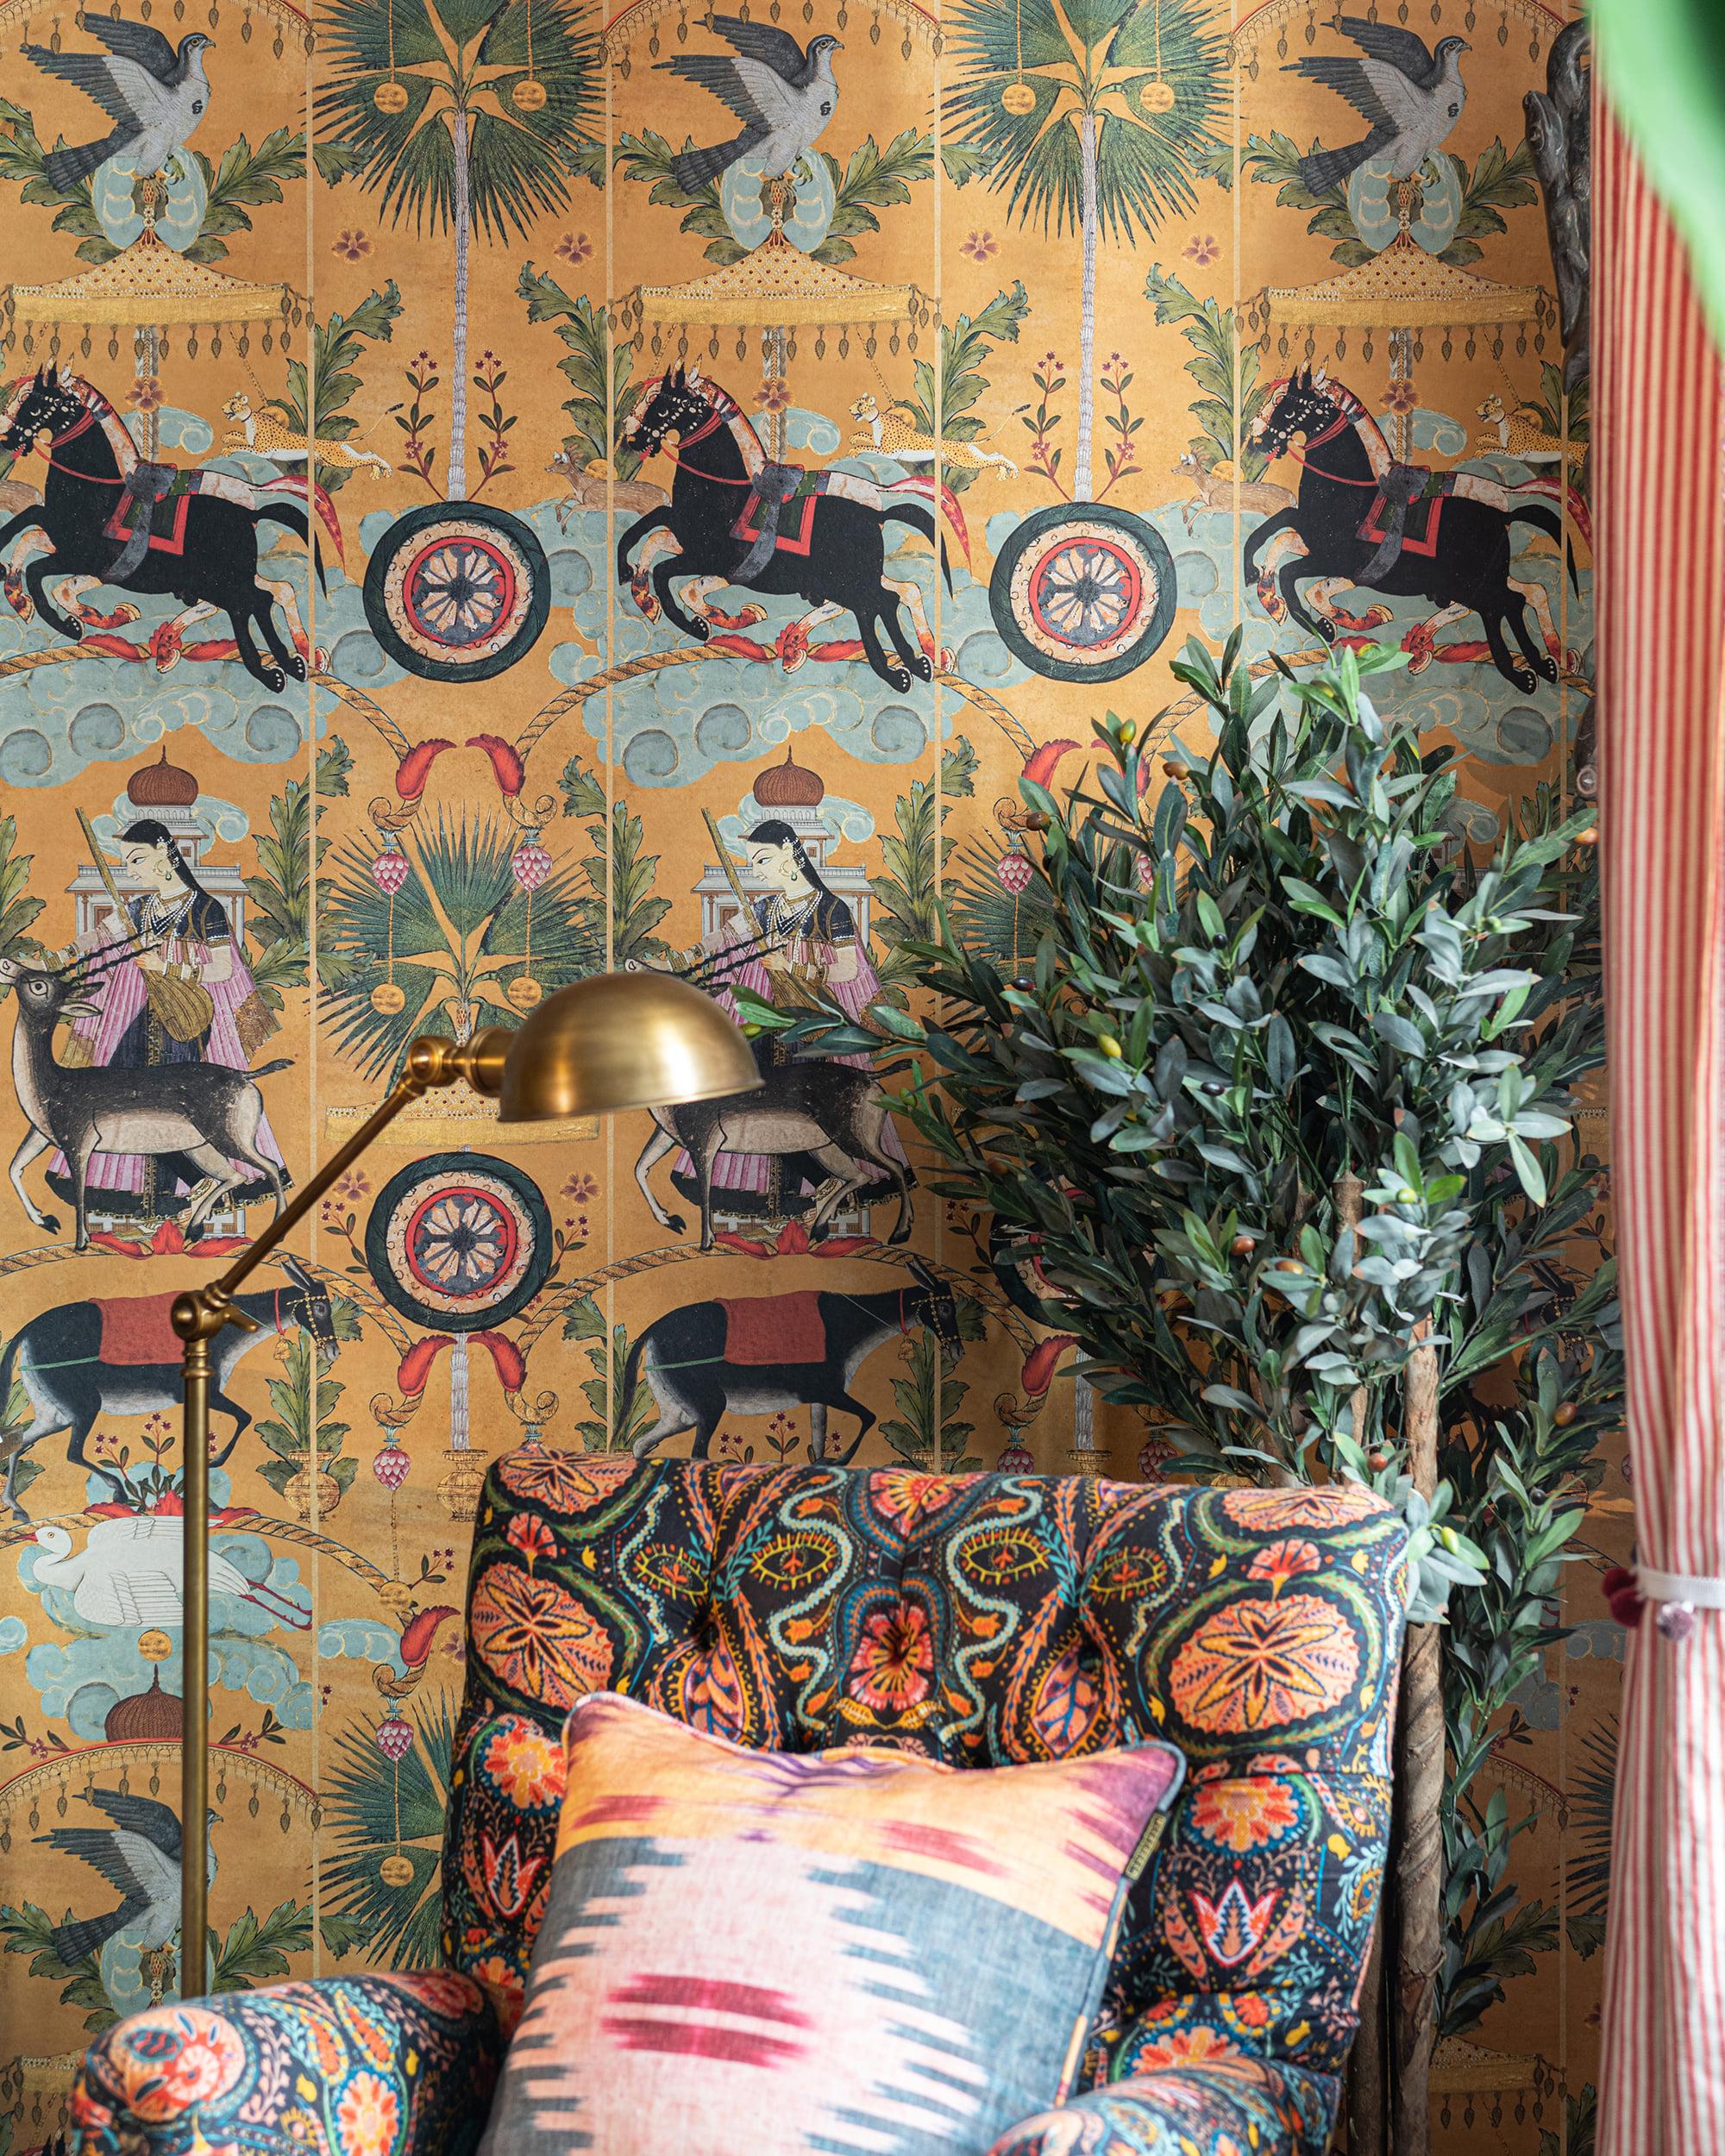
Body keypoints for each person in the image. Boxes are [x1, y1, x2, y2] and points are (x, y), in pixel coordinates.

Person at [47, 819, 286, 1225]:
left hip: (183, 1025)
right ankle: (163, 1205)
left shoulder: (205, 909)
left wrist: (168, 967)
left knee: (173, 1113)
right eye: (126, 862)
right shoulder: (141, 908)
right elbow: (97, 939)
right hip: (142, 1024)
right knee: (124, 1106)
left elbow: (224, 969)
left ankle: (198, 1186)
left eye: (137, 859)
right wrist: (56, 958)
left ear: (164, 852)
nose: (131, 870)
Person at [670, 818, 909, 1223]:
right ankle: (785, 1206)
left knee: (803, 1113)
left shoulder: (830, 909)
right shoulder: (767, 908)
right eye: (752, 863)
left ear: (791, 852)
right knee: (755, 1108)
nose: (757, 871)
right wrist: (679, 959)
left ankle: (824, 1185)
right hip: (768, 1027)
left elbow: (849, 968)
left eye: (763, 860)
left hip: (809, 1029)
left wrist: (794, 966)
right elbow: (723, 939)